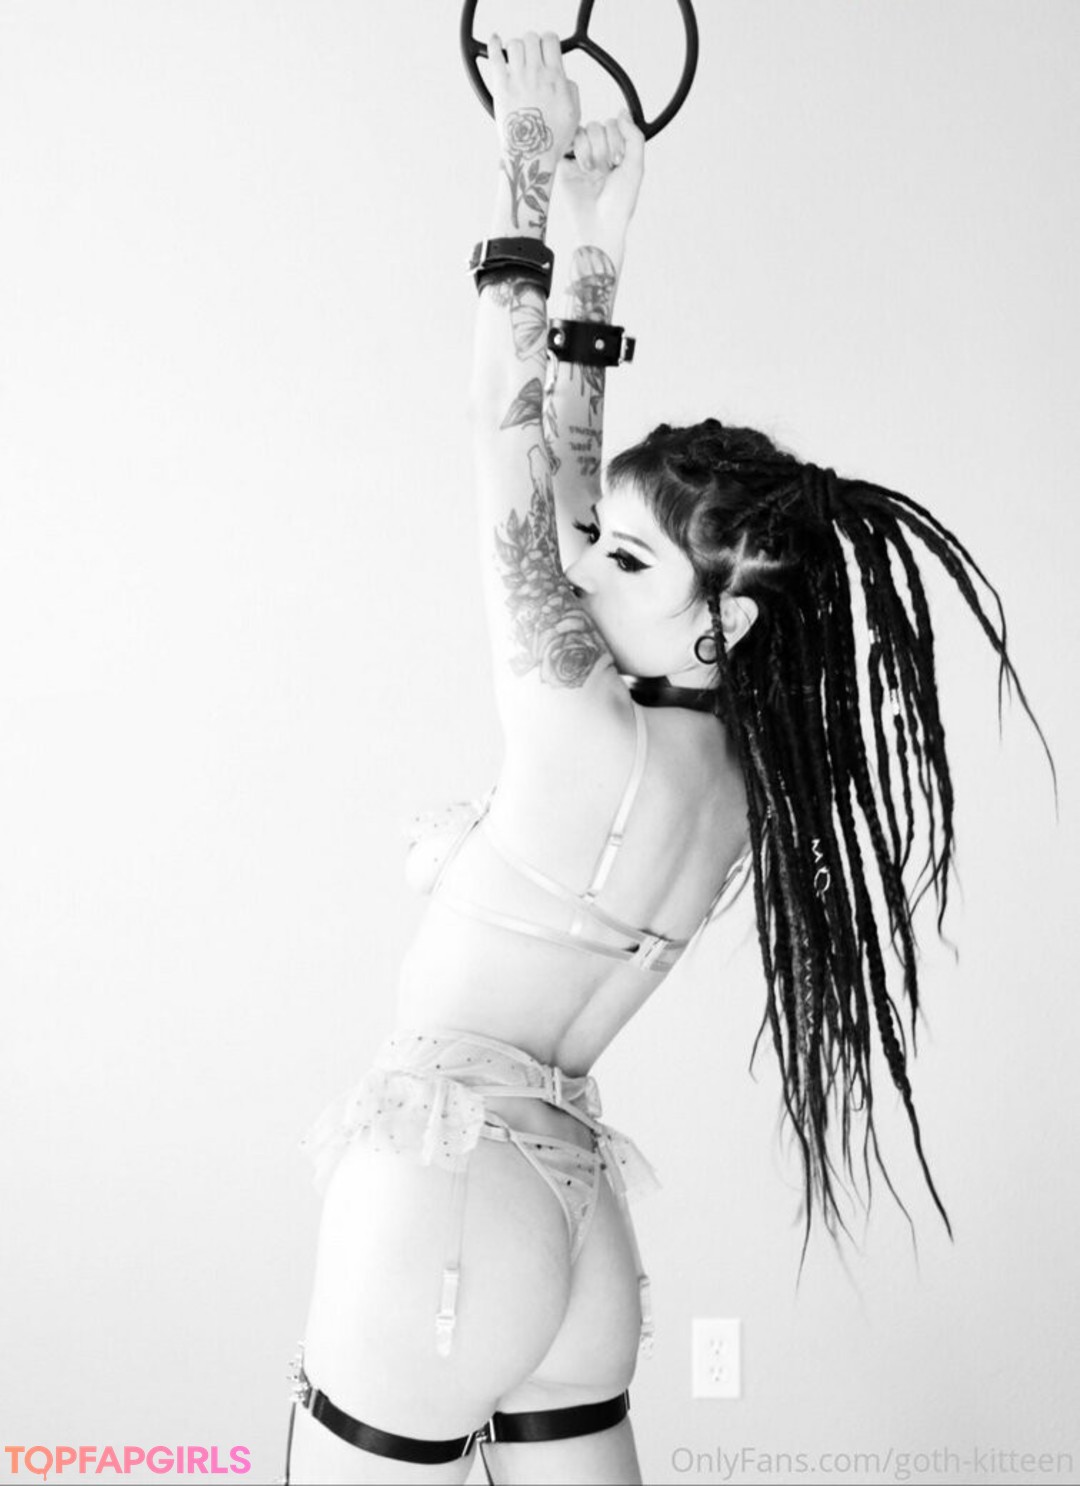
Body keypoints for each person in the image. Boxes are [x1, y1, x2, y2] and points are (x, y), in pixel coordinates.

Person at [280, 31, 1054, 1486]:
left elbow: (505, 441)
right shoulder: (736, 785)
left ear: (725, 623)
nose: (579, 563)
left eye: (627, 560)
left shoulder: (579, 723)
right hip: (571, 1219)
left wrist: (523, 167)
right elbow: (569, 492)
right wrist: (600, 245)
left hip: (444, 1188)